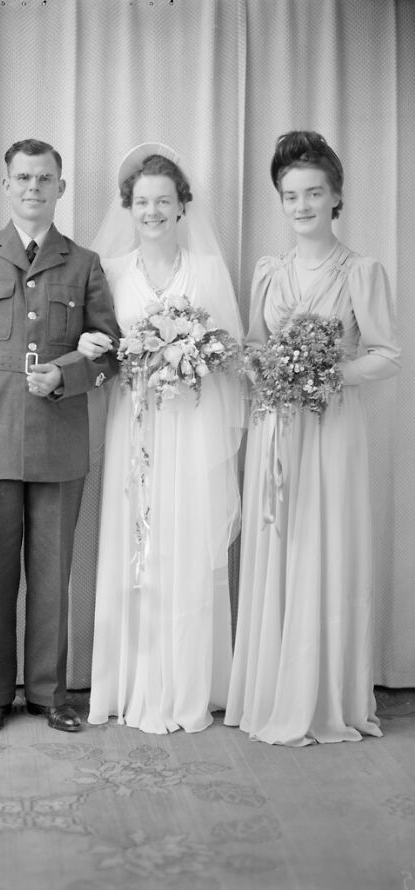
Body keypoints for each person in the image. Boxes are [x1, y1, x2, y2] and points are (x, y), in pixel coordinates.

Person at [0, 138, 120, 735]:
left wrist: (65, 374)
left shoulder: (84, 263)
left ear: (61, 189)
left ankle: (47, 694)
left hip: (59, 440)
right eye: (23, 178)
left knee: (51, 574)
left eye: (45, 179)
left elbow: (108, 354)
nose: (33, 188)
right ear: (6, 186)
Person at [224, 131, 400, 746]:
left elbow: (386, 355)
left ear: (336, 198)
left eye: (313, 193)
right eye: (290, 195)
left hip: (330, 431)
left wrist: (327, 375)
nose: (301, 205)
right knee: (279, 545)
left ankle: (324, 694)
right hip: (276, 429)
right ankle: (272, 689)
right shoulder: (269, 273)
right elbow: (251, 344)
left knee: (324, 548)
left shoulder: (363, 272)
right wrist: (261, 369)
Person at [78, 143, 245, 734]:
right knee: (135, 545)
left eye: (163, 201)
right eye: (142, 201)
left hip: (191, 426)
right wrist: (100, 349)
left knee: (184, 544)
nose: (152, 211)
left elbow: (229, 352)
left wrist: (194, 355)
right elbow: (94, 347)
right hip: (135, 427)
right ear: (129, 207)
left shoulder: (207, 271)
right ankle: (132, 684)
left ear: (182, 207)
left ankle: (189, 685)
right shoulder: (111, 272)